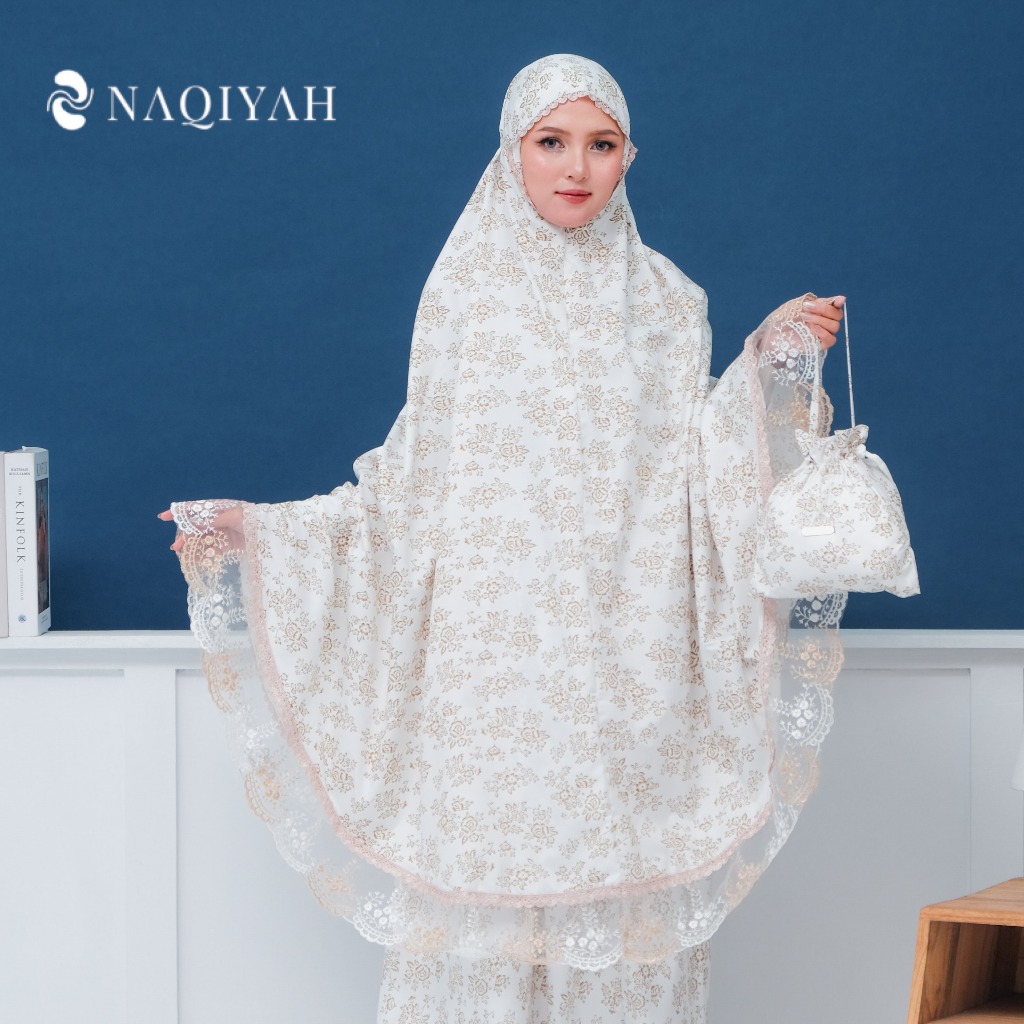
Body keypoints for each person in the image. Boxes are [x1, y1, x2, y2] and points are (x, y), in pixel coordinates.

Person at [160, 54, 845, 1024]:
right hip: (488, 679)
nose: (576, 167)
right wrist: (263, 531)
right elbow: (411, 485)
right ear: (510, 152)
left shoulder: (666, 303)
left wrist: (770, 362)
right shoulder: (467, 296)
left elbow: (700, 472)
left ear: (629, 157)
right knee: (478, 924)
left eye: (601, 144)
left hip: (621, 669)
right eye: (551, 141)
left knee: (613, 917)